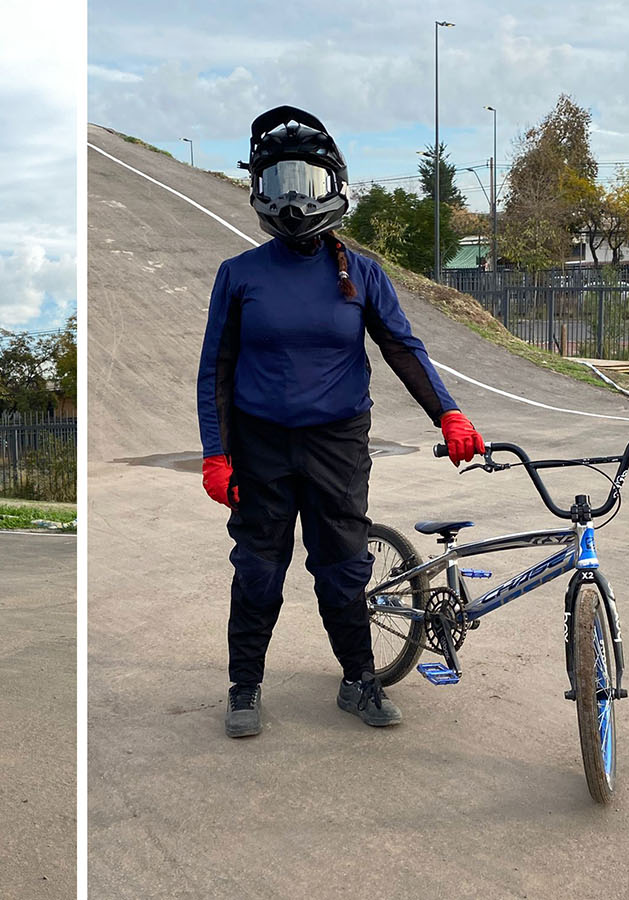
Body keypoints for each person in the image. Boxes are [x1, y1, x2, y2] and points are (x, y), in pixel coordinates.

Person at [196, 108, 484, 738]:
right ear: (258, 191)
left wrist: (449, 413)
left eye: (305, 182)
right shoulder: (239, 276)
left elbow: (402, 347)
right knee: (258, 570)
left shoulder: (362, 272)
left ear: (335, 185)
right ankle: (244, 687)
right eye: (276, 184)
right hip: (260, 447)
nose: (292, 200)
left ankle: (360, 680)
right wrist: (216, 452)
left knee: (344, 565)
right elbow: (215, 369)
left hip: (337, 443)